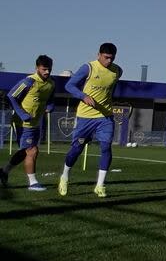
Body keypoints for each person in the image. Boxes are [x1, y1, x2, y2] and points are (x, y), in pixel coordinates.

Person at [59, 43, 123, 198]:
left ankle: (100, 185)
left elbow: (110, 90)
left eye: (111, 58)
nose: (108, 61)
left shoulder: (117, 71)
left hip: (105, 117)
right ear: (98, 55)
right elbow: (70, 85)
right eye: (106, 57)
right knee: (77, 149)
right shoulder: (88, 68)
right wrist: (83, 96)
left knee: (106, 147)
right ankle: (65, 176)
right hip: (85, 117)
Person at [1, 55, 56, 190]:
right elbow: (11, 96)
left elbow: (50, 98)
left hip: (36, 123)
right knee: (32, 150)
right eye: (44, 69)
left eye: (49, 69)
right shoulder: (29, 82)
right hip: (22, 123)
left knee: (24, 152)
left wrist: (50, 106)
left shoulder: (51, 83)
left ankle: (4, 172)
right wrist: (22, 114)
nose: (47, 72)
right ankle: (33, 183)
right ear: (37, 68)